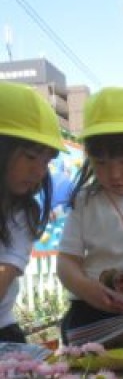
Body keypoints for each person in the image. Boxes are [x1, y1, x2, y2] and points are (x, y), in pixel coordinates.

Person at [57, 87, 123, 350]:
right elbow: (67, 262)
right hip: (89, 310)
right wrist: (86, 288)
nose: (114, 175)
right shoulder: (86, 201)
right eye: (100, 163)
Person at [0, 82, 65, 342]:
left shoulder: (22, 213)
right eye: (30, 156)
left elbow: (5, 274)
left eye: (46, 161)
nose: (39, 172)